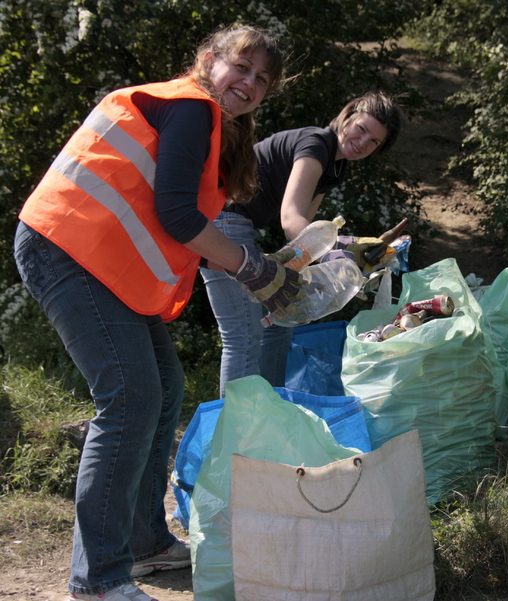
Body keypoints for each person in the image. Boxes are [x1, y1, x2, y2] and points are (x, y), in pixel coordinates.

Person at [13, 25, 303, 601]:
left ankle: (143, 542)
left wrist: (261, 274)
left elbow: (174, 221)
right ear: (210, 61)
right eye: (241, 68)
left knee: (165, 387)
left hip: (96, 257)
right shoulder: (192, 108)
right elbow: (177, 215)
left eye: (262, 80)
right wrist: (253, 269)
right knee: (131, 397)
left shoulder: (206, 120)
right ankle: (98, 580)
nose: (248, 84)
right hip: (67, 248)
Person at [201, 91, 403, 396]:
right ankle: (237, 430)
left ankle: (272, 410)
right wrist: (341, 255)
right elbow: (291, 219)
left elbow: (299, 238)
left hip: (239, 227)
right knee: (243, 336)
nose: (362, 143)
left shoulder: (335, 167)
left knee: (279, 323)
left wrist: (349, 250)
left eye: (373, 141)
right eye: (361, 129)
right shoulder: (316, 144)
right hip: (222, 223)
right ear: (347, 116)